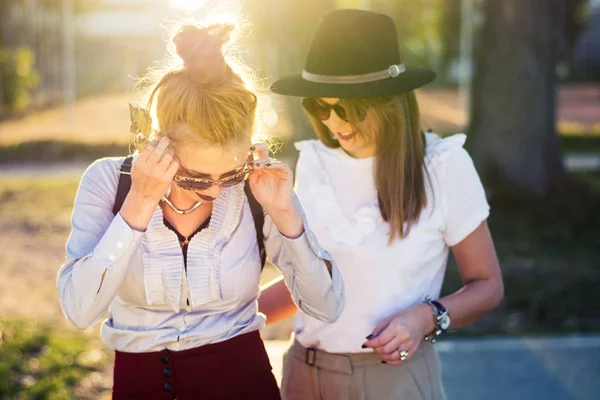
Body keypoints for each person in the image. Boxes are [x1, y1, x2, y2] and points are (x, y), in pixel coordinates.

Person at [56, 21, 344, 400]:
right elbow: (79, 310)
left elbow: (327, 306)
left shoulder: (257, 189)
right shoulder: (109, 182)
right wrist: (139, 203)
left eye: (231, 174)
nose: (214, 190)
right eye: (195, 177)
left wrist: (286, 215)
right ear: (159, 145)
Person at [260, 9, 504, 400]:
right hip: (302, 376)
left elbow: (488, 286)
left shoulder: (443, 166)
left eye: (348, 107)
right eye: (320, 107)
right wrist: (223, 319)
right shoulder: (314, 162)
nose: (334, 123)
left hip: (393, 380)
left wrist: (426, 317)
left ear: (389, 101)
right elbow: (314, 283)